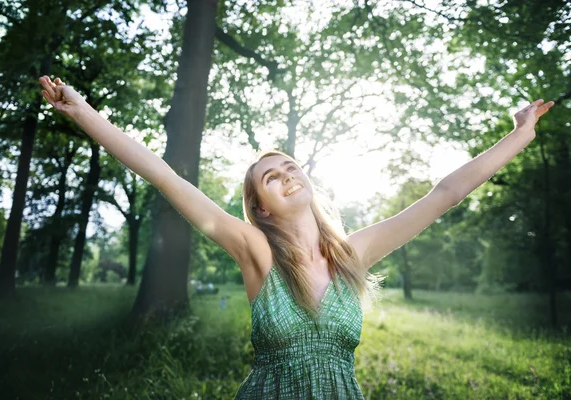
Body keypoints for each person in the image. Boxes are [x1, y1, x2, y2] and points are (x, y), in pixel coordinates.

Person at [38, 76, 554, 398]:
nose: (287, 174)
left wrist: (521, 132)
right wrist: (83, 112)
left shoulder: (353, 254)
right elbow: (165, 176)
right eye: (272, 176)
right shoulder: (256, 252)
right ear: (261, 206)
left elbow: (445, 192)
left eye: (291, 166)